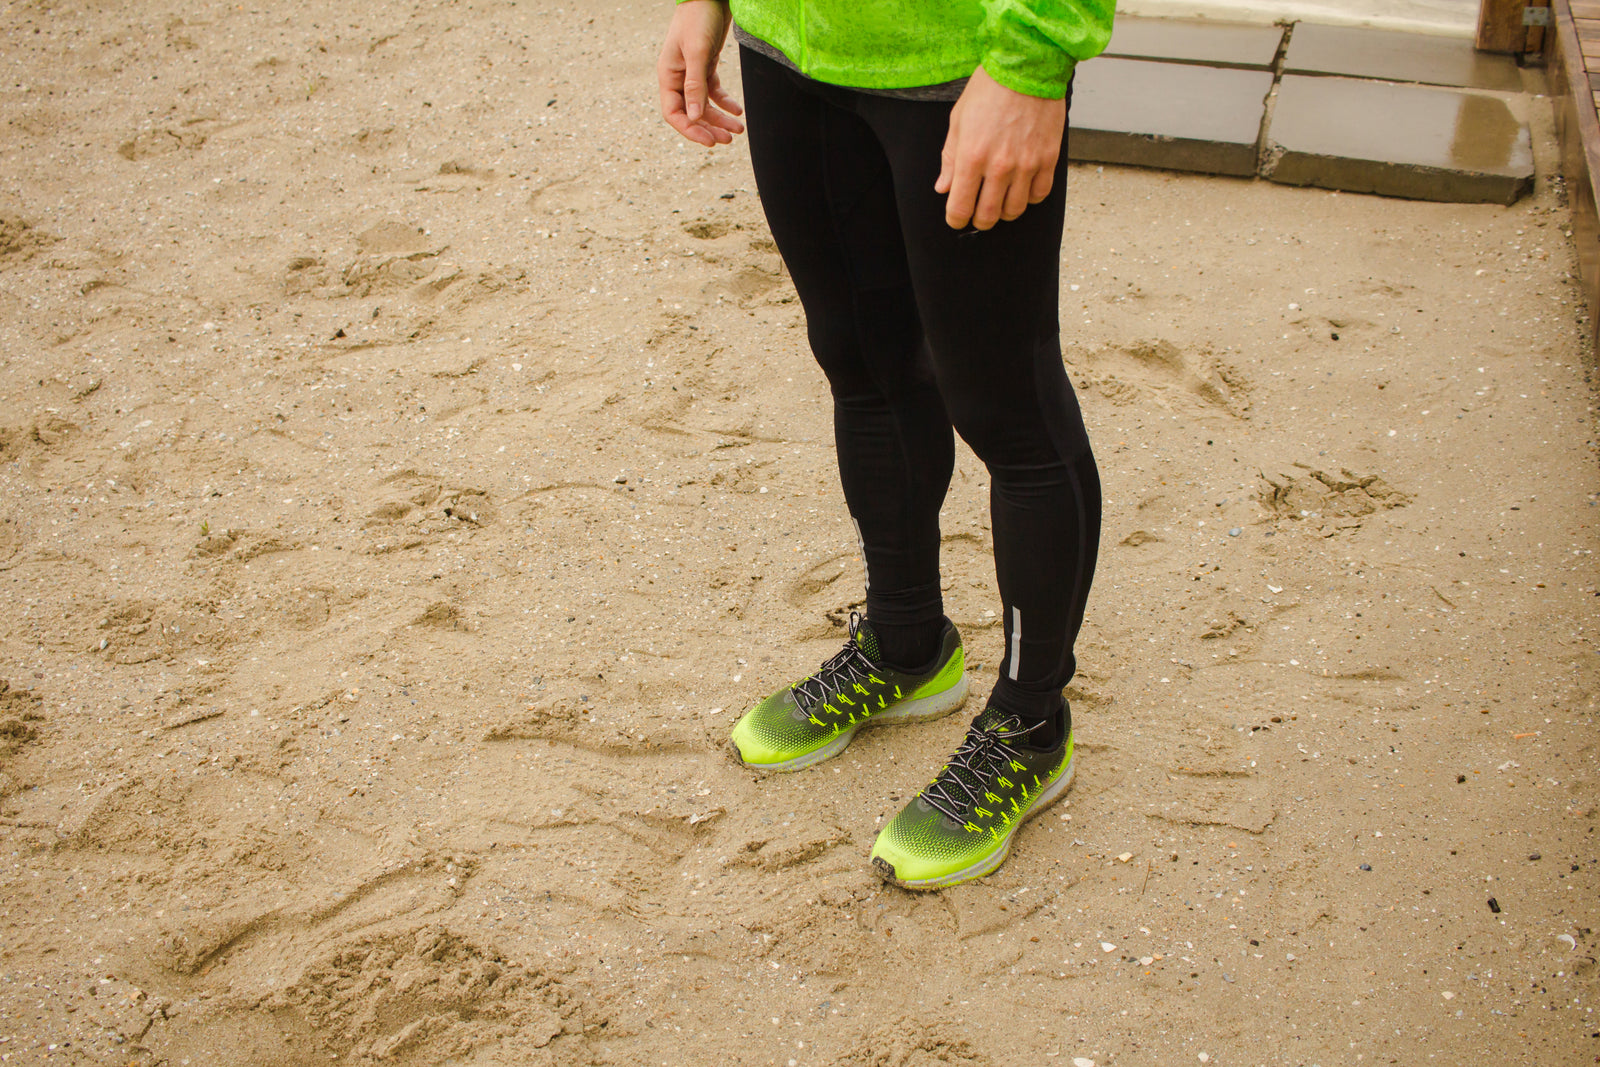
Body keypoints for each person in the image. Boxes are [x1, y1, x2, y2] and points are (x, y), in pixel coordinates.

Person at [658, 0, 1112, 889]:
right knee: (859, 360)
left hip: (954, 54)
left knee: (1006, 409)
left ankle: (1031, 722)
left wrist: (1032, 57)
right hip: (786, 40)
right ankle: (907, 644)